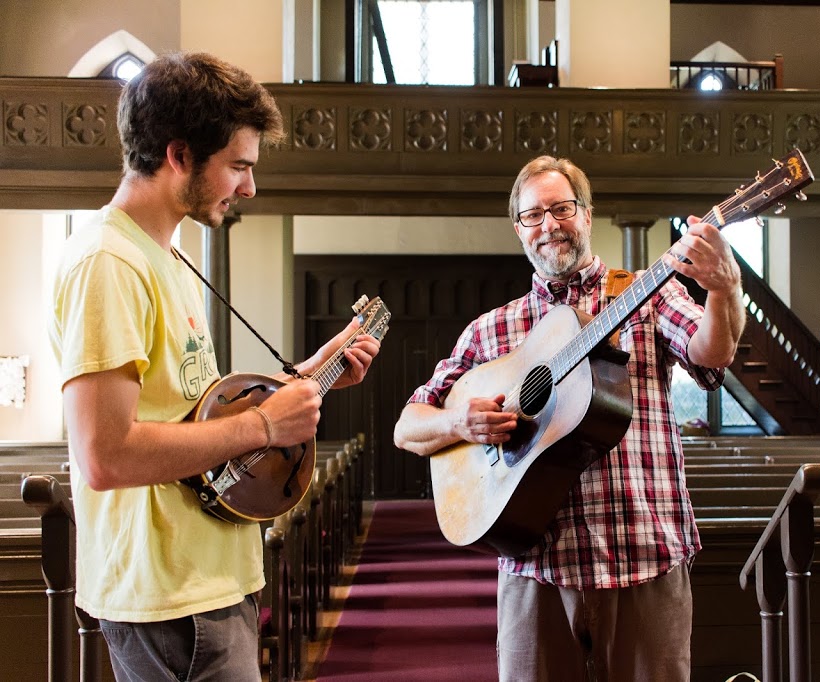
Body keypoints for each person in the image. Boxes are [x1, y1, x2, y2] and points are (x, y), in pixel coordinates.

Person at [49, 52, 380, 681]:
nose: (249, 188)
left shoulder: (167, 258)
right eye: (239, 166)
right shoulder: (109, 263)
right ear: (179, 155)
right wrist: (263, 427)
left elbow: (185, 412)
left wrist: (310, 374)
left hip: (204, 585)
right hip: (169, 599)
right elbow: (105, 456)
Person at [393, 155, 745, 680]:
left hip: (642, 554)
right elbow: (406, 426)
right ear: (518, 229)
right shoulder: (490, 331)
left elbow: (711, 352)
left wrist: (723, 289)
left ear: (586, 214)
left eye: (562, 208)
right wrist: (457, 425)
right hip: (536, 567)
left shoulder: (647, 294)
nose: (549, 225)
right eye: (533, 215)